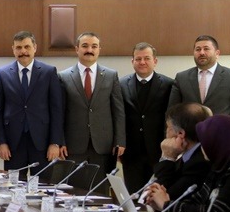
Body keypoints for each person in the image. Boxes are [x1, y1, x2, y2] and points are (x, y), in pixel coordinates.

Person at [147, 114, 230, 212]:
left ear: (217, 141)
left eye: (204, 142)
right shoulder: (220, 166)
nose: (202, 147)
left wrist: (166, 205)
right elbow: (197, 201)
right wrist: (162, 201)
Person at [58, 32, 125, 191]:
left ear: (99, 49)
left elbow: (118, 111)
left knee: (101, 191)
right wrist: (60, 141)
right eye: (85, 46)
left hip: (104, 145)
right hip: (73, 145)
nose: (89, 50)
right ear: (77, 49)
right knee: (74, 191)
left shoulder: (111, 75)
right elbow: (59, 112)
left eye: (94, 46)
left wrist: (120, 140)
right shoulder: (63, 76)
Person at [0, 31, 64, 173]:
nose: (23, 51)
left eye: (27, 47)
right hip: (13, 143)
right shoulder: (2, 73)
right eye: (18, 47)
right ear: (13, 49)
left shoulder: (49, 72)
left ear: (34, 48)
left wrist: (55, 142)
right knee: (13, 184)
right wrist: (1, 142)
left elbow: (56, 109)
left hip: (42, 142)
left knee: (43, 184)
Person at [119, 43, 173, 192]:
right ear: (132, 62)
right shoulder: (121, 84)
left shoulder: (169, 84)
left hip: (158, 151)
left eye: (147, 58)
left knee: (155, 194)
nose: (142, 62)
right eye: (138, 59)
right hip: (131, 152)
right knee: (133, 194)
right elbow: (119, 116)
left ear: (155, 61)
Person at [169, 35, 230, 126]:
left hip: (221, 133)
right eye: (198, 49)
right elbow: (172, 112)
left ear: (217, 53)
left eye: (206, 49)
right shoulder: (181, 78)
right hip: (190, 133)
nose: (201, 53)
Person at [144, 103, 212, 202]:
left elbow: (164, 198)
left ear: (180, 133)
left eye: (168, 127)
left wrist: (167, 157)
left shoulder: (199, 163)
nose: (166, 132)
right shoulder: (187, 156)